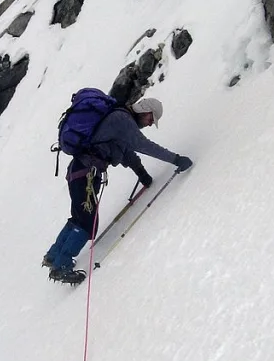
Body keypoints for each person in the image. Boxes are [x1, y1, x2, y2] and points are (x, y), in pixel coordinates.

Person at [43, 97, 193, 284]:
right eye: (150, 119)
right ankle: (61, 267)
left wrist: (141, 173)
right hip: (86, 174)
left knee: (80, 218)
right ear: (145, 111)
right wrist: (176, 159)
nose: (149, 124)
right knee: (87, 223)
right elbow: (144, 145)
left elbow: (126, 152)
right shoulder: (123, 120)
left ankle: (53, 256)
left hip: (80, 172)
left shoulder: (120, 119)